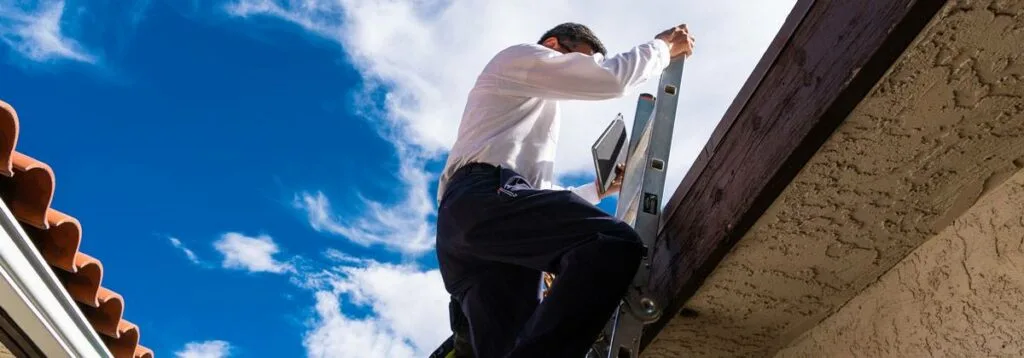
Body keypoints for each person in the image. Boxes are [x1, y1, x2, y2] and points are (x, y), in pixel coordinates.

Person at [434, 22, 695, 358]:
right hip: (482, 199)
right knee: (610, 242)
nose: (585, 69)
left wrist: (598, 191)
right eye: (584, 60)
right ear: (554, 45)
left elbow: (532, 192)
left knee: (513, 346)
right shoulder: (520, 58)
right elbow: (611, 79)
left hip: (471, 229)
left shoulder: (521, 109)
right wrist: (662, 47)